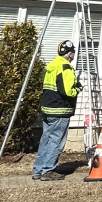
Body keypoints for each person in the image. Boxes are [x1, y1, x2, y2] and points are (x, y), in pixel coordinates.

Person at [32, 40, 82, 181]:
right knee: (56, 140)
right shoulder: (65, 67)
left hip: (48, 109)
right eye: (73, 52)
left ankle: (38, 170)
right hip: (59, 110)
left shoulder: (52, 65)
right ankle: (48, 171)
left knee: (46, 139)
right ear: (69, 53)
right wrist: (78, 88)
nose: (73, 55)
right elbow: (67, 91)